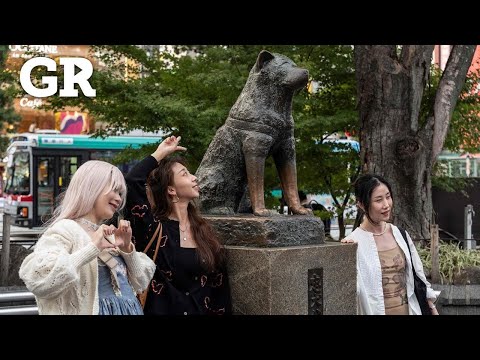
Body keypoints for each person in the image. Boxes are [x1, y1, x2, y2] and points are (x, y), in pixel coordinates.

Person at [19, 160, 156, 315]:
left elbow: (141, 282)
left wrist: (126, 248)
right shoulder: (65, 229)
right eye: (115, 190)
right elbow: (39, 280)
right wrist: (92, 249)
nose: (119, 198)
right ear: (92, 187)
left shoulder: (108, 234)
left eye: (120, 193)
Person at [124, 135, 232, 315]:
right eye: (185, 174)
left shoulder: (204, 231)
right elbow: (133, 181)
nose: (194, 177)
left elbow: (219, 290)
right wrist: (160, 153)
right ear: (171, 189)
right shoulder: (153, 229)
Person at [341, 174, 439, 315]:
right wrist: (345, 254)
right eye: (378, 200)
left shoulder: (400, 234)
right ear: (361, 204)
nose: (386, 205)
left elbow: (418, 277)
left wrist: (432, 308)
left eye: (388, 196)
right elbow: (349, 292)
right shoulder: (354, 242)